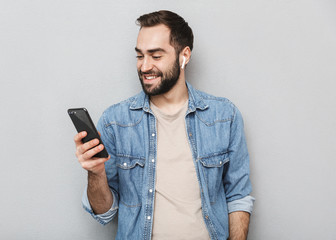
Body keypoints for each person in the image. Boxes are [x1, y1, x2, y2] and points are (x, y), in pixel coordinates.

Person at [74, 10, 254, 240]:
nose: (144, 66)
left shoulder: (224, 116)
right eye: (140, 56)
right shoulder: (115, 121)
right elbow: (103, 213)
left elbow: (238, 196)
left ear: (184, 56)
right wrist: (96, 173)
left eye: (156, 56)